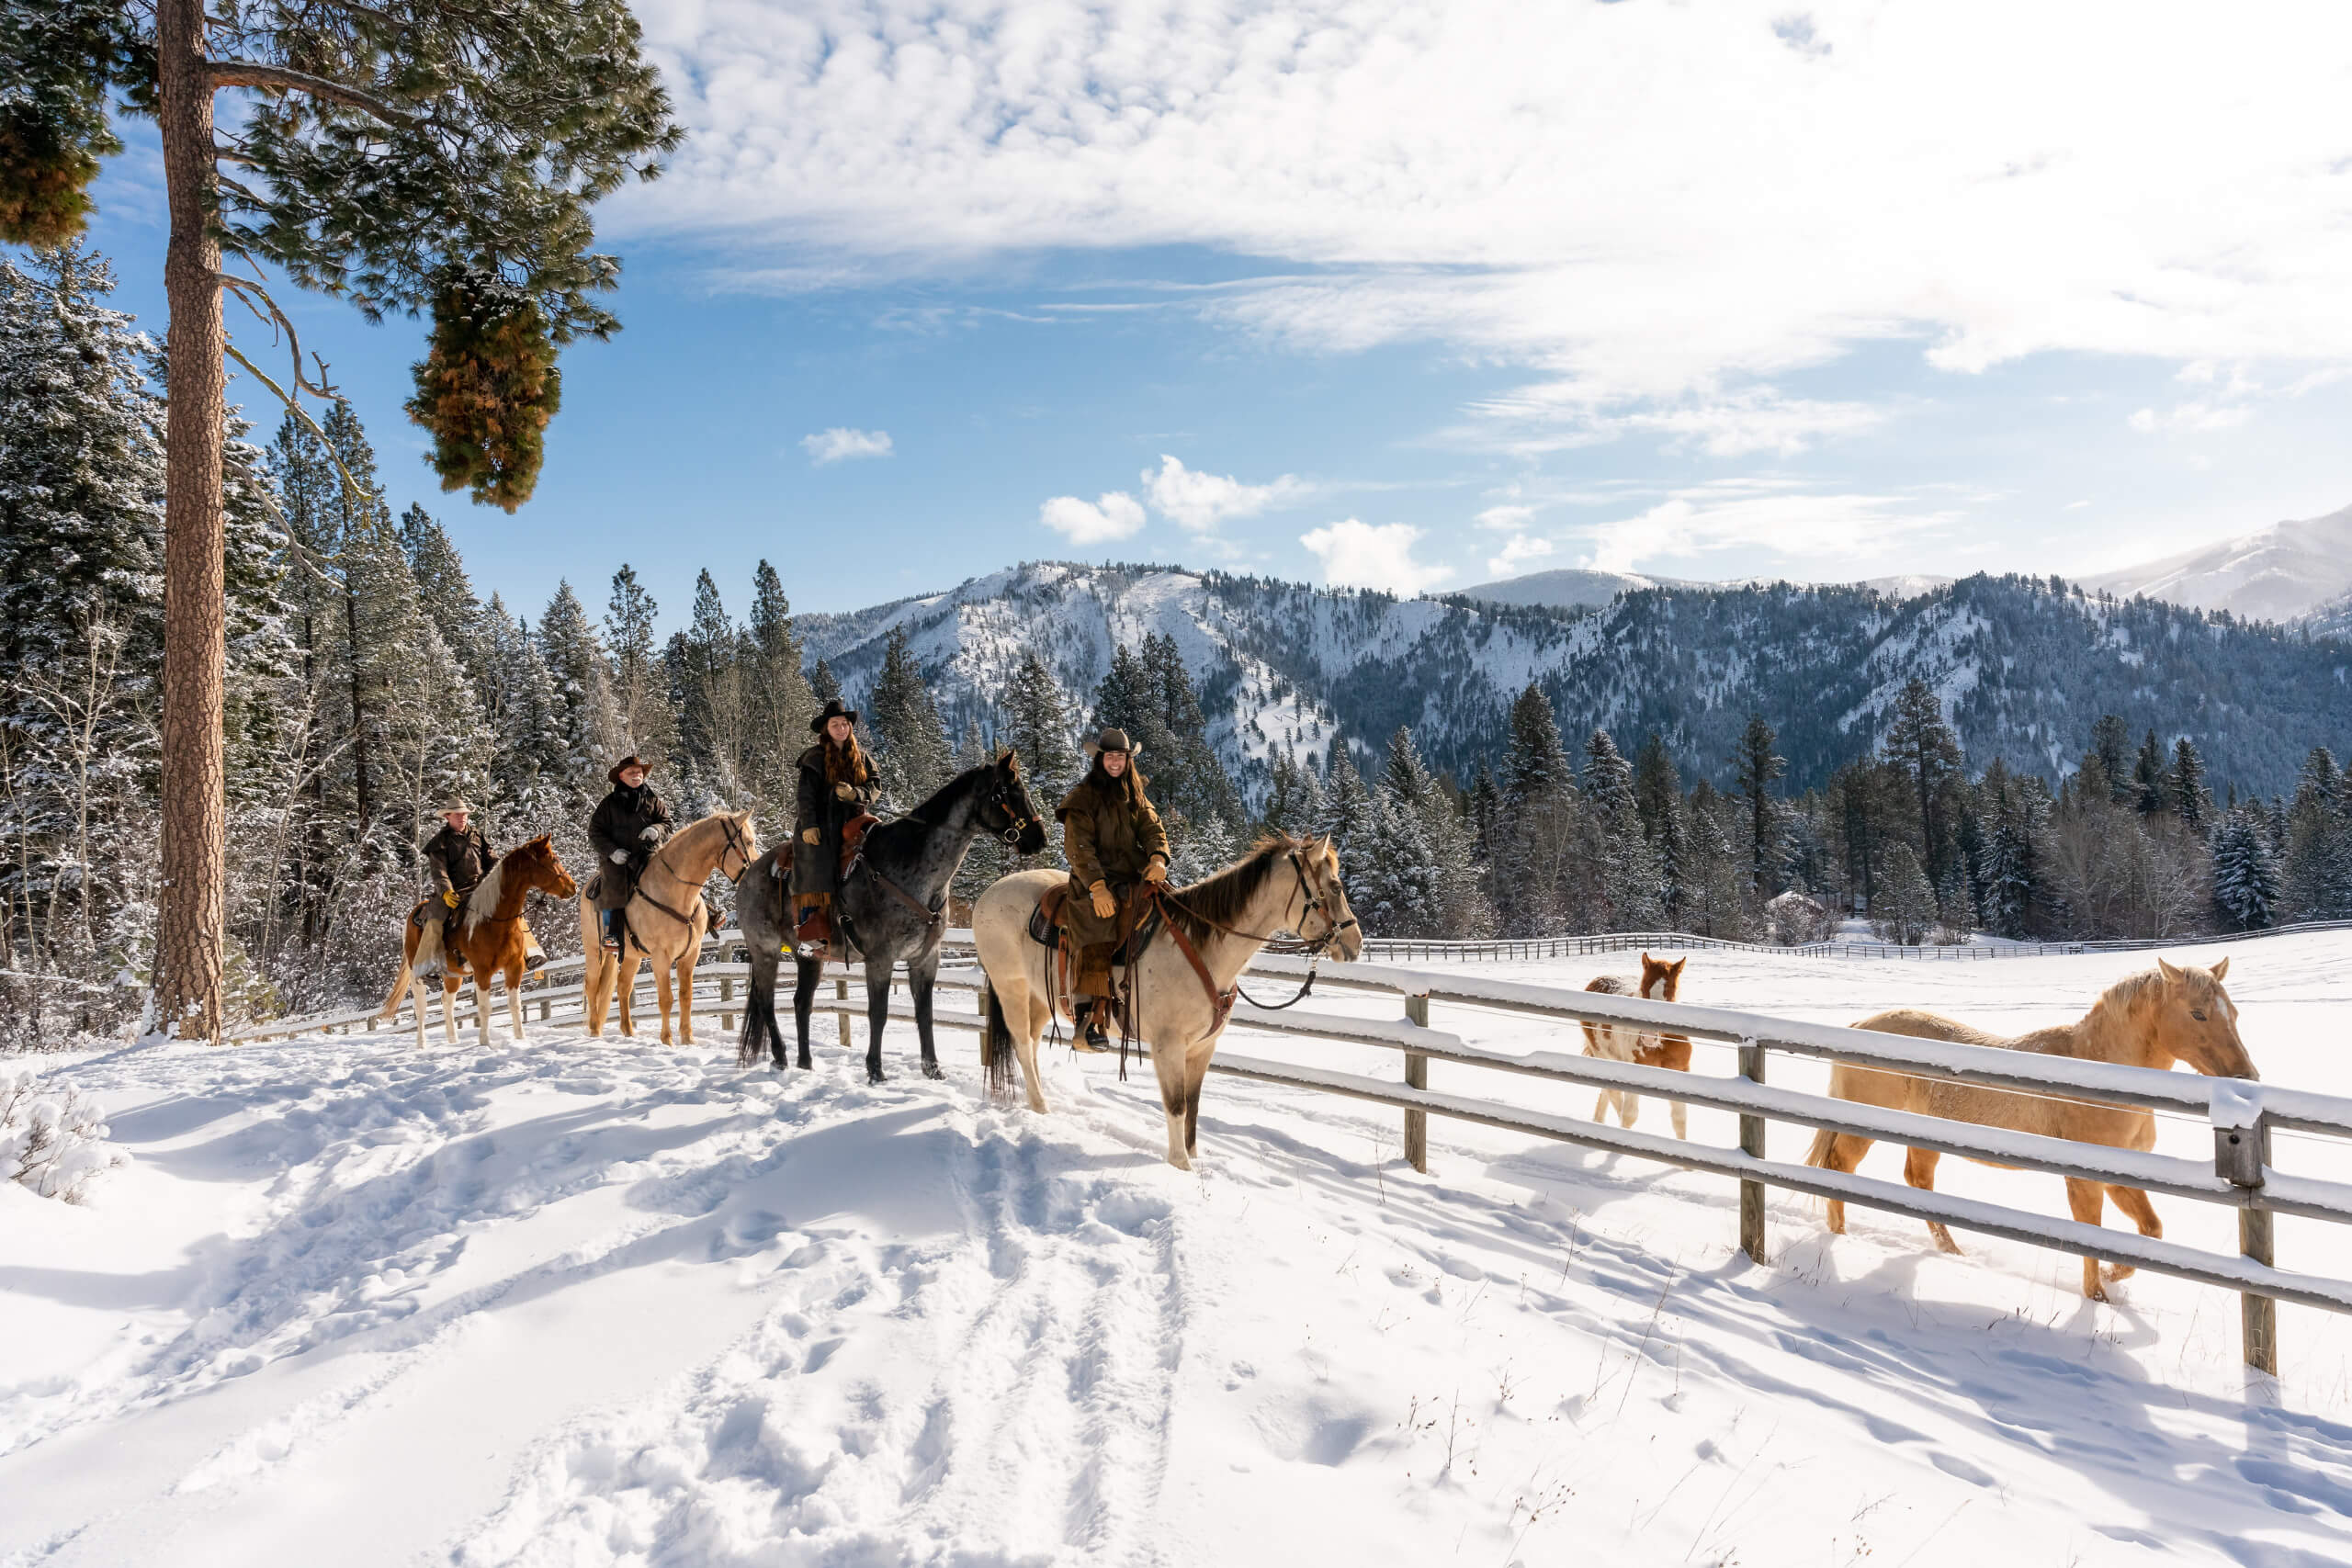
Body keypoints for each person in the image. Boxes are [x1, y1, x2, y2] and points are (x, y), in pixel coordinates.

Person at [1056, 727, 1170, 1049]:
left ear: (1127, 759)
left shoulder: (1134, 794)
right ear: (1100, 759)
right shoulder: (1083, 798)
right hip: (1093, 879)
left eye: (1121, 756)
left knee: (1171, 907)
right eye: (1110, 757)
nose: (1116, 762)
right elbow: (1079, 847)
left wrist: (1158, 857)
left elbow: (1151, 827)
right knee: (1097, 930)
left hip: (1133, 875)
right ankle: (1088, 1018)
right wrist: (1097, 886)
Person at [791, 699, 877, 956]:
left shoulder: (862, 758)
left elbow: (874, 786)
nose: (841, 728)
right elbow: (805, 795)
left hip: (854, 821)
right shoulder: (814, 758)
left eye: (845, 724)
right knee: (816, 861)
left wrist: (856, 794)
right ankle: (812, 926)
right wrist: (808, 825)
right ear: (825, 729)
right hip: (822, 823)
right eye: (835, 724)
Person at [589, 754, 672, 952]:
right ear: (621, 776)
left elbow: (667, 823)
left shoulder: (653, 800)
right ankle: (613, 935)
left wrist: (656, 830)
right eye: (632, 772)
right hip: (619, 860)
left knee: (675, 874)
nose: (637, 775)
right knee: (614, 884)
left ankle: (704, 916)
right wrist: (612, 851)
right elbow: (594, 832)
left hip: (648, 855)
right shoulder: (608, 804)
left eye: (640, 772)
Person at [419, 800, 495, 976]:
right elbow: (439, 871)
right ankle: (428, 966)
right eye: (458, 814)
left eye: (465, 814)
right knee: (435, 919)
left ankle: (527, 952)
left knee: (509, 906)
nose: (463, 818)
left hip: (479, 886)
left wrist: (492, 878)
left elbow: (493, 860)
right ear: (447, 816)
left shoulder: (477, 835)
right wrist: (446, 891)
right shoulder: (440, 841)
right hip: (453, 890)